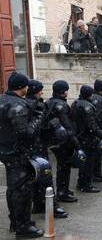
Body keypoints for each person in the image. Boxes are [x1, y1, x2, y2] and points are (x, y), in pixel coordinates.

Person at [0, 72, 44, 237]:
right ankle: (23, 226)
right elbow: (27, 132)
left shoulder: (2, 100)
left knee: (13, 188)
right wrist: (38, 116)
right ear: (21, 87)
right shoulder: (19, 105)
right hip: (18, 153)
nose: (28, 88)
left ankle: (15, 221)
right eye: (26, 85)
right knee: (22, 191)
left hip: (5, 151)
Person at [26, 80, 69, 219]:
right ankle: (52, 207)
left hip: (29, 148)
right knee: (45, 177)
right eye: (40, 90)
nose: (42, 92)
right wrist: (53, 125)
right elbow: (37, 127)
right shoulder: (37, 105)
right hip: (37, 147)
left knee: (34, 177)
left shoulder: (26, 104)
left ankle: (38, 204)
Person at [45, 80, 80, 203]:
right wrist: (76, 143)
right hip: (63, 141)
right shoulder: (61, 105)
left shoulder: (49, 102)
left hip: (54, 140)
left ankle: (63, 189)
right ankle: (62, 192)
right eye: (66, 90)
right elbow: (67, 126)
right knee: (64, 167)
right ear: (63, 91)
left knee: (62, 166)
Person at [72, 85, 102, 193]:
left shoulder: (75, 103)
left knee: (83, 161)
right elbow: (91, 125)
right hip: (87, 138)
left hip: (79, 136)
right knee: (88, 162)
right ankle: (86, 184)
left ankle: (82, 182)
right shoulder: (87, 106)